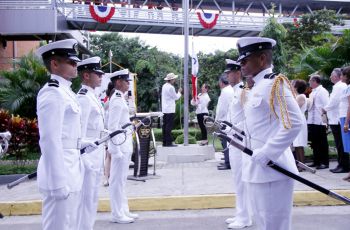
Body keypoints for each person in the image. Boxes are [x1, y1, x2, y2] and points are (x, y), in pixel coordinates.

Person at [237, 37, 303, 230]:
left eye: (245, 61)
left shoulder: (275, 84)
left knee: (274, 226)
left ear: (263, 59)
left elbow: (294, 122)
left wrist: (268, 152)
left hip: (273, 169)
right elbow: (256, 126)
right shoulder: (255, 87)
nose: (241, 65)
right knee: (262, 224)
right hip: (256, 168)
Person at [36, 39, 97, 230]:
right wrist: (57, 182)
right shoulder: (52, 92)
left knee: (70, 223)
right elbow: (49, 140)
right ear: (55, 64)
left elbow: (66, 133)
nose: (76, 65)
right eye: (71, 62)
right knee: (58, 225)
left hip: (72, 166)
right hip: (60, 171)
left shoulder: (66, 91)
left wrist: (84, 141)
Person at [76, 57, 106, 230]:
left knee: (93, 196)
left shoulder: (92, 96)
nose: (101, 77)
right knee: (85, 197)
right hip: (88, 154)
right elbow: (80, 131)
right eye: (97, 74)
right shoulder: (83, 98)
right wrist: (85, 159)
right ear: (86, 75)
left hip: (97, 151)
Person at [224, 59, 252, 229]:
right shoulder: (234, 91)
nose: (227, 75)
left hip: (241, 141)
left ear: (238, 73)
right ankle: (240, 213)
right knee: (237, 179)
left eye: (230, 72)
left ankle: (245, 217)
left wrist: (236, 132)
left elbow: (249, 118)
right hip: (233, 140)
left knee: (242, 179)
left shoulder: (243, 91)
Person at [108, 69, 139, 224]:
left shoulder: (121, 98)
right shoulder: (116, 99)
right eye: (126, 81)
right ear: (118, 82)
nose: (128, 83)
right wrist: (115, 150)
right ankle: (117, 213)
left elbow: (122, 122)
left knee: (122, 181)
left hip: (125, 142)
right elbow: (112, 127)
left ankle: (123, 209)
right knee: (116, 181)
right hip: (119, 145)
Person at [323, 68, 349, 173]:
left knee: (341, 144)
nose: (330, 77)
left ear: (337, 76)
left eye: (331, 75)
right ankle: (341, 164)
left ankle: (344, 165)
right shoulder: (339, 86)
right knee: (340, 143)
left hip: (337, 118)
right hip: (336, 117)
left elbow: (334, 101)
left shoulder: (339, 86)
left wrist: (324, 108)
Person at [307, 75, 330, 169]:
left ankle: (324, 162)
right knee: (314, 142)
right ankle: (316, 161)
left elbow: (327, 104)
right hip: (312, 120)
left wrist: (325, 118)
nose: (309, 82)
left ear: (315, 81)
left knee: (322, 142)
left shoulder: (322, 91)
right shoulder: (312, 92)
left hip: (320, 120)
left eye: (310, 81)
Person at [216, 74, 234, 170]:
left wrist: (217, 120)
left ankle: (227, 163)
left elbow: (222, 109)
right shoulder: (231, 89)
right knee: (227, 142)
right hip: (229, 120)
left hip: (224, 120)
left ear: (221, 83)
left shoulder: (225, 91)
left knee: (225, 142)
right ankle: (228, 160)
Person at [161, 73, 182, 147]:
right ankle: (169, 143)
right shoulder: (171, 87)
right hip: (169, 109)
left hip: (164, 109)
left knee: (165, 126)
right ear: (171, 80)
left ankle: (164, 142)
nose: (175, 80)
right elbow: (176, 97)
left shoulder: (164, 86)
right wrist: (179, 92)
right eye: (174, 79)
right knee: (168, 127)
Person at [291, 79, 308, 171]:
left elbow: (295, 108)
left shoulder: (301, 96)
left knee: (299, 143)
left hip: (299, 120)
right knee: (296, 144)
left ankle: (302, 165)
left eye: (293, 85)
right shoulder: (296, 96)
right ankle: (299, 164)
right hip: (296, 120)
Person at [338, 67, 350, 181]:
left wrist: (346, 123)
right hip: (343, 117)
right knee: (348, 147)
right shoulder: (347, 88)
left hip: (347, 119)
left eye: (344, 75)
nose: (342, 77)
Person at [103, 82, 115, 186]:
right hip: (110, 132)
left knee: (108, 156)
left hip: (109, 132)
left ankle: (108, 177)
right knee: (109, 155)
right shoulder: (110, 101)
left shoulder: (107, 101)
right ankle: (107, 177)